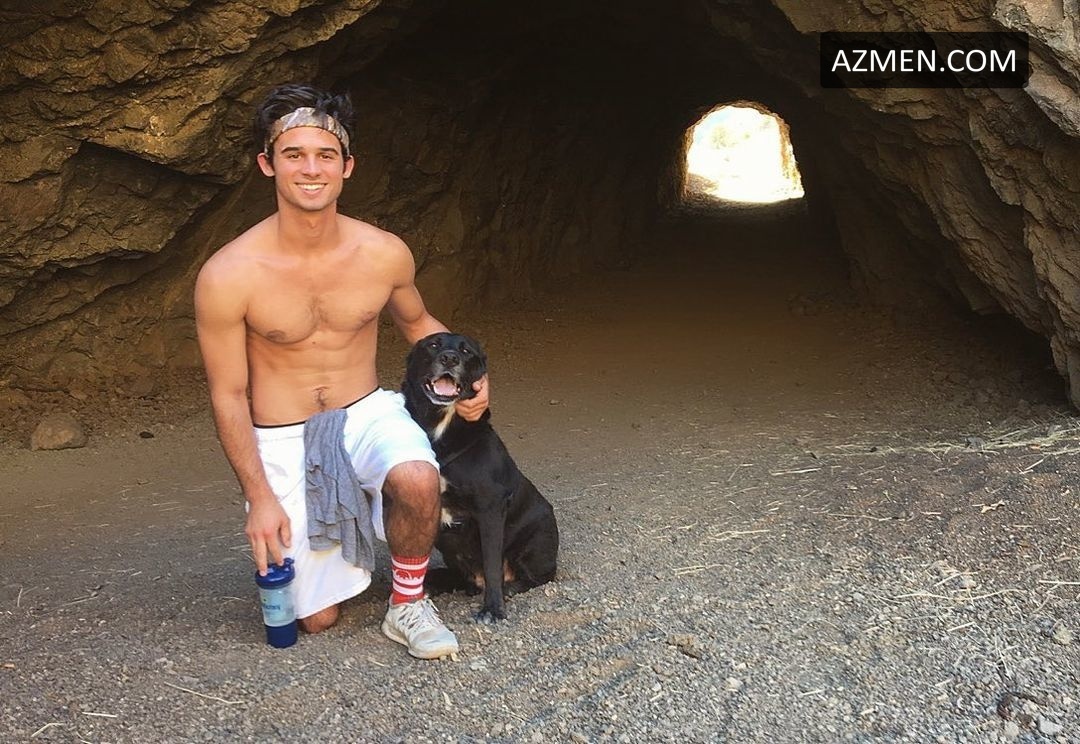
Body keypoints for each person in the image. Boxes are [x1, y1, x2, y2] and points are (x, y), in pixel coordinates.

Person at [194, 83, 488, 659]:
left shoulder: (382, 252)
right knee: (317, 619)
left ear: (347, 166)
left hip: (364, 410)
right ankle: (331, 539)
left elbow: (419, 323)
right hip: (283, 431)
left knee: (418, 476)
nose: (312, 169)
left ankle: (407, 603)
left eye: (326, 155)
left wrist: (474, 375)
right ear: (267, 164)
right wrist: (259, 498)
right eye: (294, 154)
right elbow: (228, 393)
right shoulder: (228, 274)